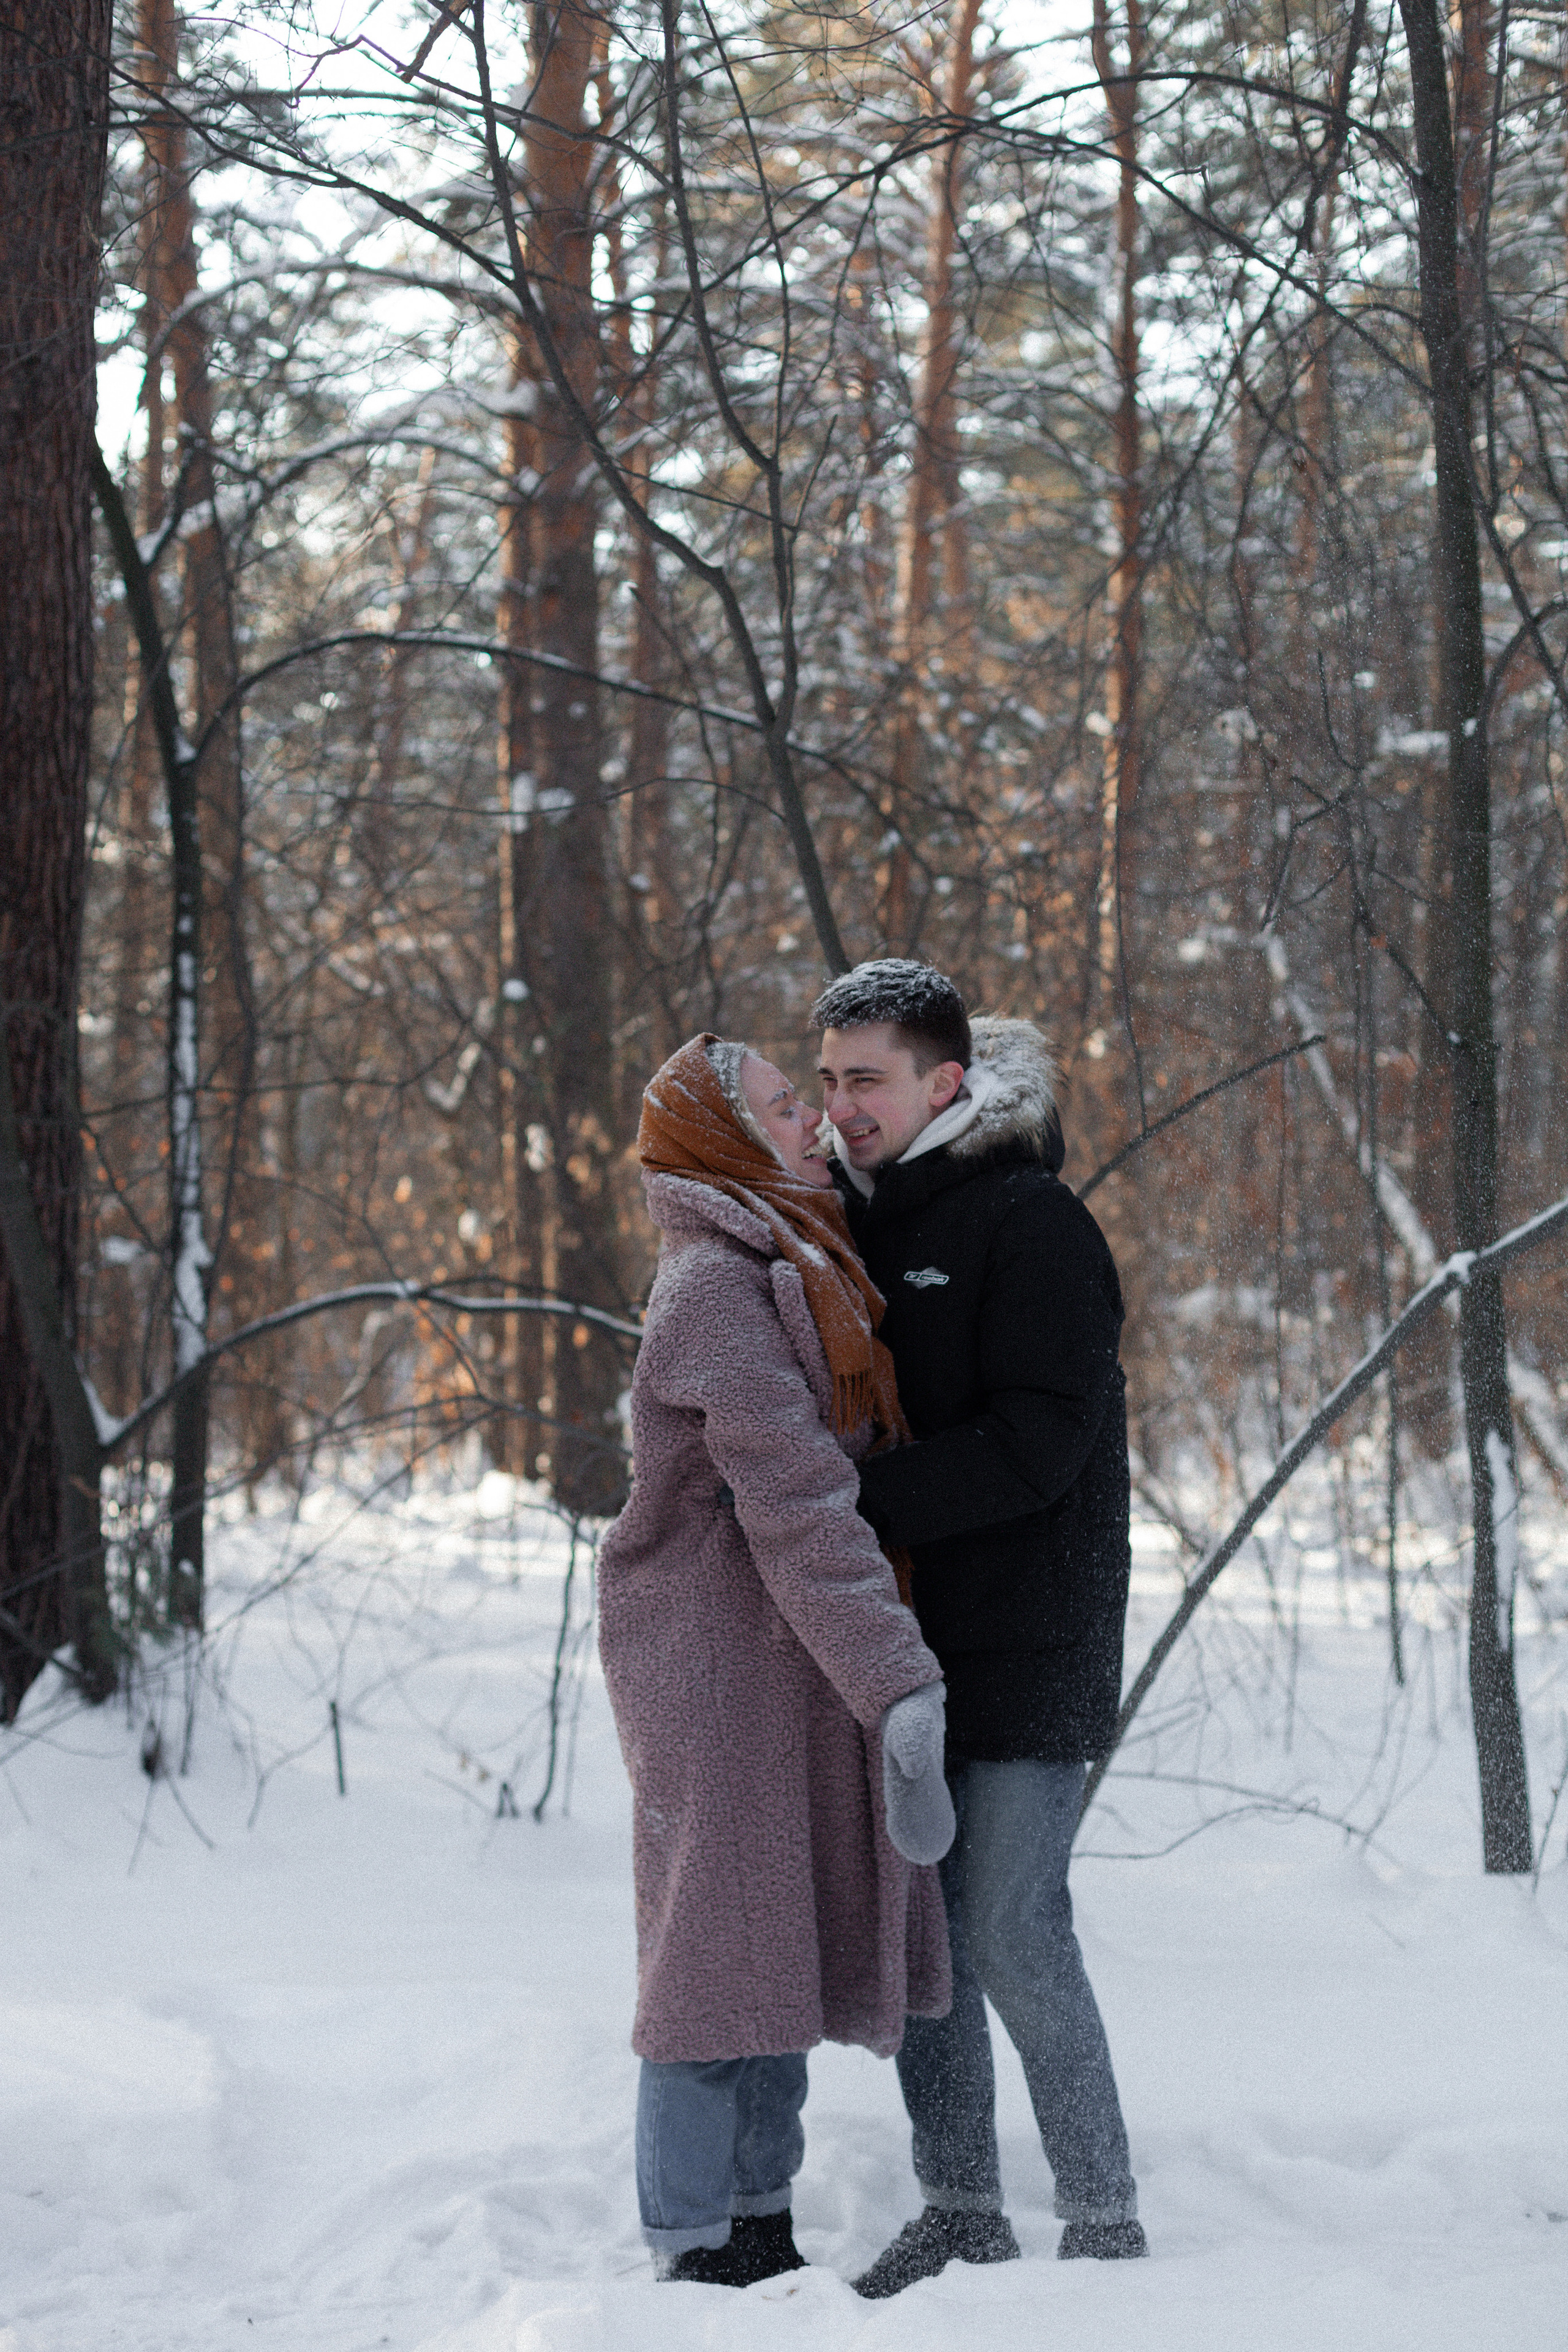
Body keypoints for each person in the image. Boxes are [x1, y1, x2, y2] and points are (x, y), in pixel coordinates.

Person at [597, 1032, 957, 2288]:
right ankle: (691, 2247)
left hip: (781, 1655)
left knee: (774, 1944)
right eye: (777, 1106)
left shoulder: (791, 1258)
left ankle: (758, 2221)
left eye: (805, 1099)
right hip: (708, 1660)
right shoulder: (713, 1287)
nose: (808, 1119)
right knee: (712, 1959)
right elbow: (796, 1497)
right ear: (724, 1141)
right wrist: (894, 1674)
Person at [812, 959, 1147, 2294]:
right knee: (924, 1937)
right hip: (903, 1640)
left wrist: (846, 1498)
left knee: (1010, 1923)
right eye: (828, 1079)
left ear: (944, 1083)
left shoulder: (1032, 1223)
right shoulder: (848, 1219)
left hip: (1038, 1636)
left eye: (867, 1081)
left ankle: (1103, 2216)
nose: (842, 1106)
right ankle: (957, 2204)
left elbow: (1039, 1443)